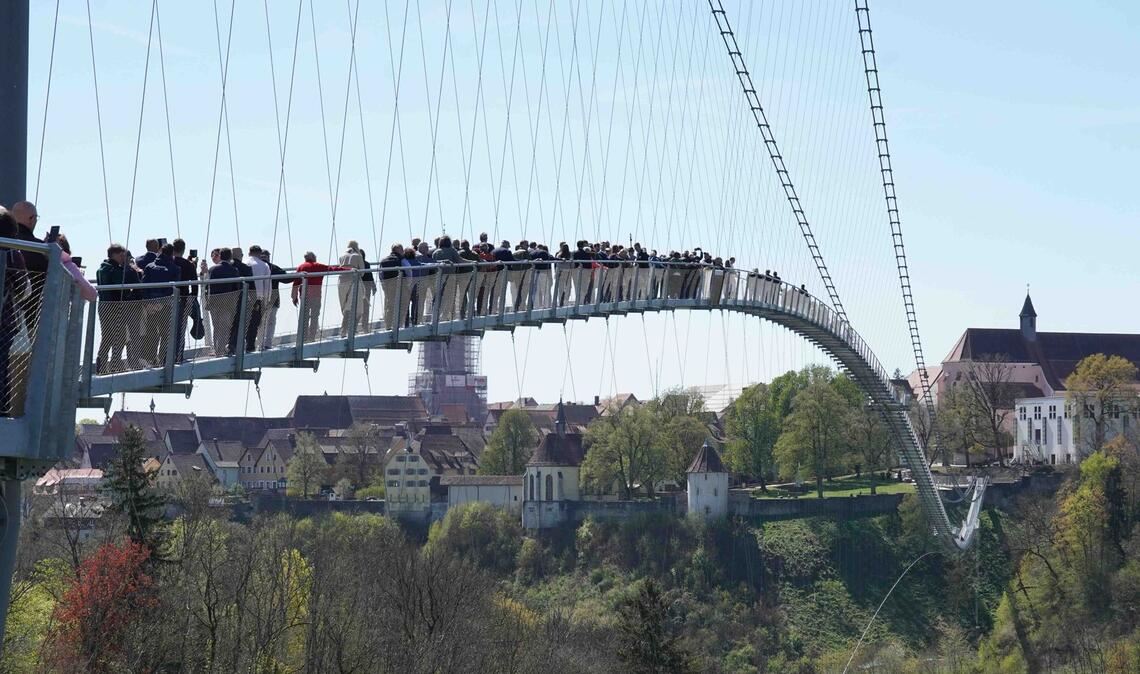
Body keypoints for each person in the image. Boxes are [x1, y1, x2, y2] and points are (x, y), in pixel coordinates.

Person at [94, 243, 140, 373]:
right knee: (119, 337)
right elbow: (123, 288)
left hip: (103, 306)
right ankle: (115, 365)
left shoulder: (101, 268)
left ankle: (101, 365)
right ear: (115, 254)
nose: (123, 258)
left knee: (107, 336)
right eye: (122, 255)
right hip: (114, 307)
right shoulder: (115, 270)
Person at [291, 251, 349, 342]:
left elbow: (295, 283)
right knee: (315, 317)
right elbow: (334, 269)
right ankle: (312, 338)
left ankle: (303, 338)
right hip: (316, 296)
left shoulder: (301, 267)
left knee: (304, 317)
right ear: (313, 257)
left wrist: (294, 297)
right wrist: (349, 270)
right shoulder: (319, 266)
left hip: (304, 296)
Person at [140, 243, 181, 367]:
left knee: (151, 332)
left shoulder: (149, 266)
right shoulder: (175, 268)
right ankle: (163, 359)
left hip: (150, 306)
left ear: (160, 252)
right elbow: (174, 288)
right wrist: (161, 302)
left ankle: (150, 359)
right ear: (172, 254)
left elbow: (143, 286)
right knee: (166, 333)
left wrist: (148, 303)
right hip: (166, 305)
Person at [206, 249, 241, 356]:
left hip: (214, 302)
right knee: (225, 327)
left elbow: (208, 286)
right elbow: (237, 288)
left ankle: (216, 349)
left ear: (220, 256)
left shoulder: (212, 269)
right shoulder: (234, 270)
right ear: (230, 257)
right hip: (228, 303)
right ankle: (222, 349)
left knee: (216, 327)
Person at [171, 239, 199, 362]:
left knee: (167, 330)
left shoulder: (168, 262)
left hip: (167, 299)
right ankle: (178, 355)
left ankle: (165, 356)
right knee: (181, 328)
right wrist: (192, 298)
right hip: (183, 299)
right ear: (183, 249)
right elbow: (194, 284)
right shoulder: (188, 264)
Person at [337, 241, 368, 336]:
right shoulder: (358, 256)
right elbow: (362, 272)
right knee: (358, 309)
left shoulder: (342, 256)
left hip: (341, 282)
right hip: (354, 282)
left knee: (345, 307)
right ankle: (351, 330)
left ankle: (344, 331)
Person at [258, 249, 286, 350]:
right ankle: (267, 343)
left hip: (259, 298)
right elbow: (286, 278)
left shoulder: (256, 267)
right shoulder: (273, 267)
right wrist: (299, 276)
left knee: (261, 322)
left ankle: (260, 344)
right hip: (273, 298)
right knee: (270, 321)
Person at [245, 246, 271, 352]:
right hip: (257, 299)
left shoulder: (244, 262)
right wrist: (267, 300)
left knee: (242, 322)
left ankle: (238, 345)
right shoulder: (263, 265)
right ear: (260, 253)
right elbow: (267, 285)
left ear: (249, 252)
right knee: (254, 323)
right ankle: (250, 345)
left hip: (242, 297)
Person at [431, 236, 461, 321]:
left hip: (438, 277)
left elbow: (433, 263)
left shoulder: (436, 252)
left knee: (437, 297)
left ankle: (435, 316)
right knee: (449, 297)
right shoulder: (452, 250)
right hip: (450, 277)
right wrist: (471, 262)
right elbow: (460, 260)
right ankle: (445, 316)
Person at [379, 244, 405, 330]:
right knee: (400, 304)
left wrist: (383, 284)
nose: (403, 251)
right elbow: (408, 270)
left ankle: (388, 325)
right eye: (402, 249)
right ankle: (398, 325)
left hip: (387, 285)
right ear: (399, 250)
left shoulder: (383, 260)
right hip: (399, 285)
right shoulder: (401, 259)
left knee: (389, 305)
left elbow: (380, 274)